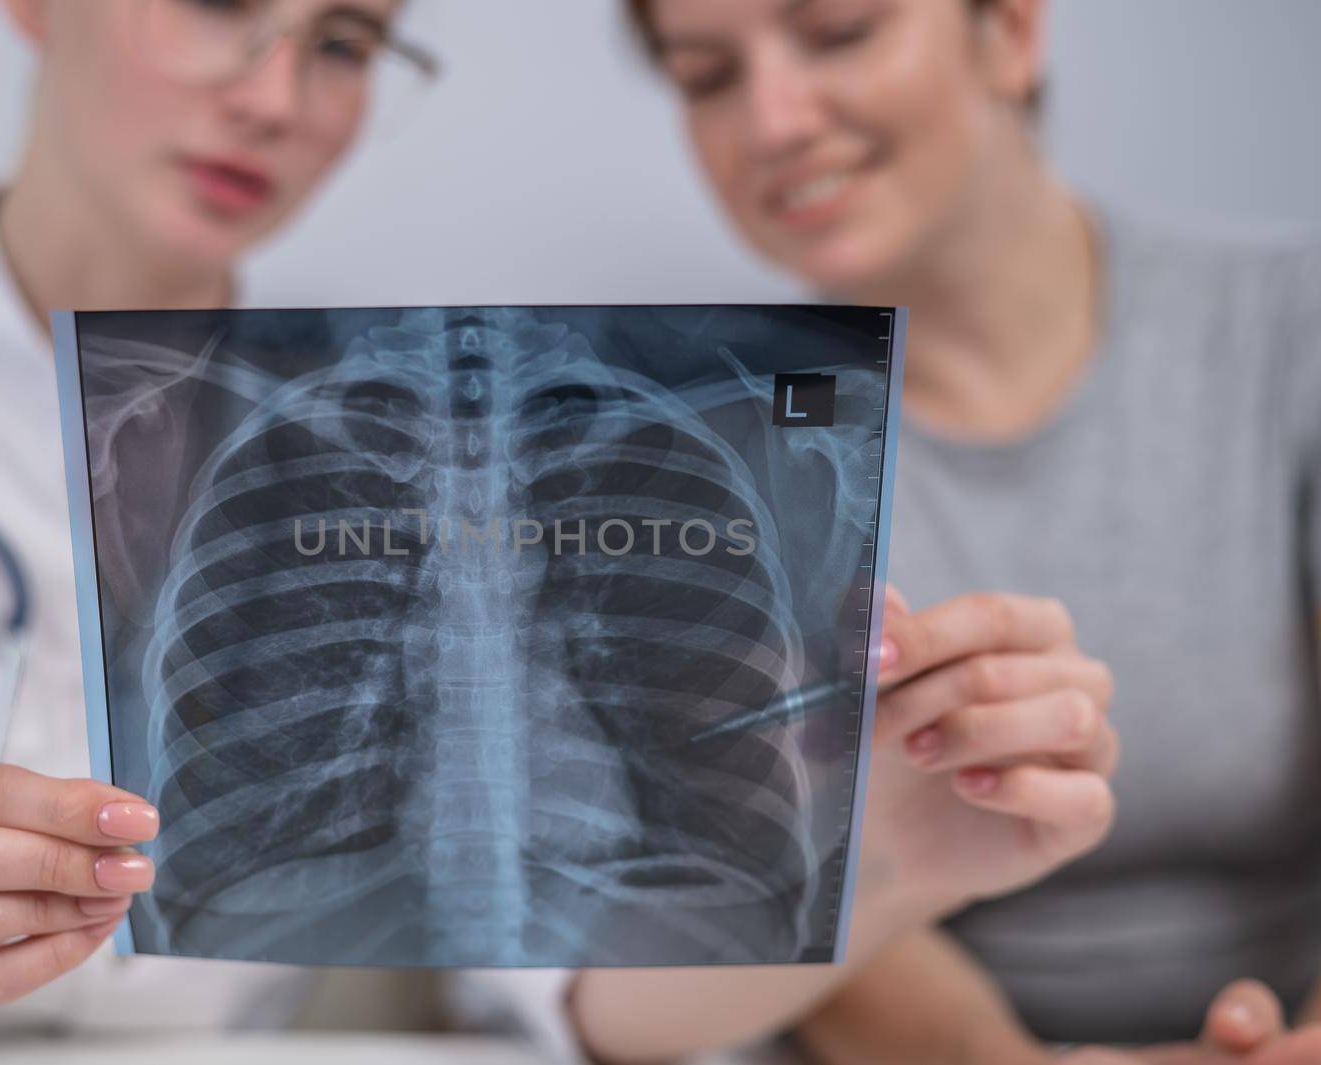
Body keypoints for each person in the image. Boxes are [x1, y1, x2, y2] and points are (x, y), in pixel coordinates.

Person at [464, 0, 1321, 1061]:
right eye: (705, 76)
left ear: (1006, 32)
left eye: (837, 32)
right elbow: (753, 904)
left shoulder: (1291, 330)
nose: (772, 122)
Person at [0, 2, 439, 1062]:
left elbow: (566, 988)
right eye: (216, 3)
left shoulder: (391, 454)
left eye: (342, 42)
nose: (274, 99)